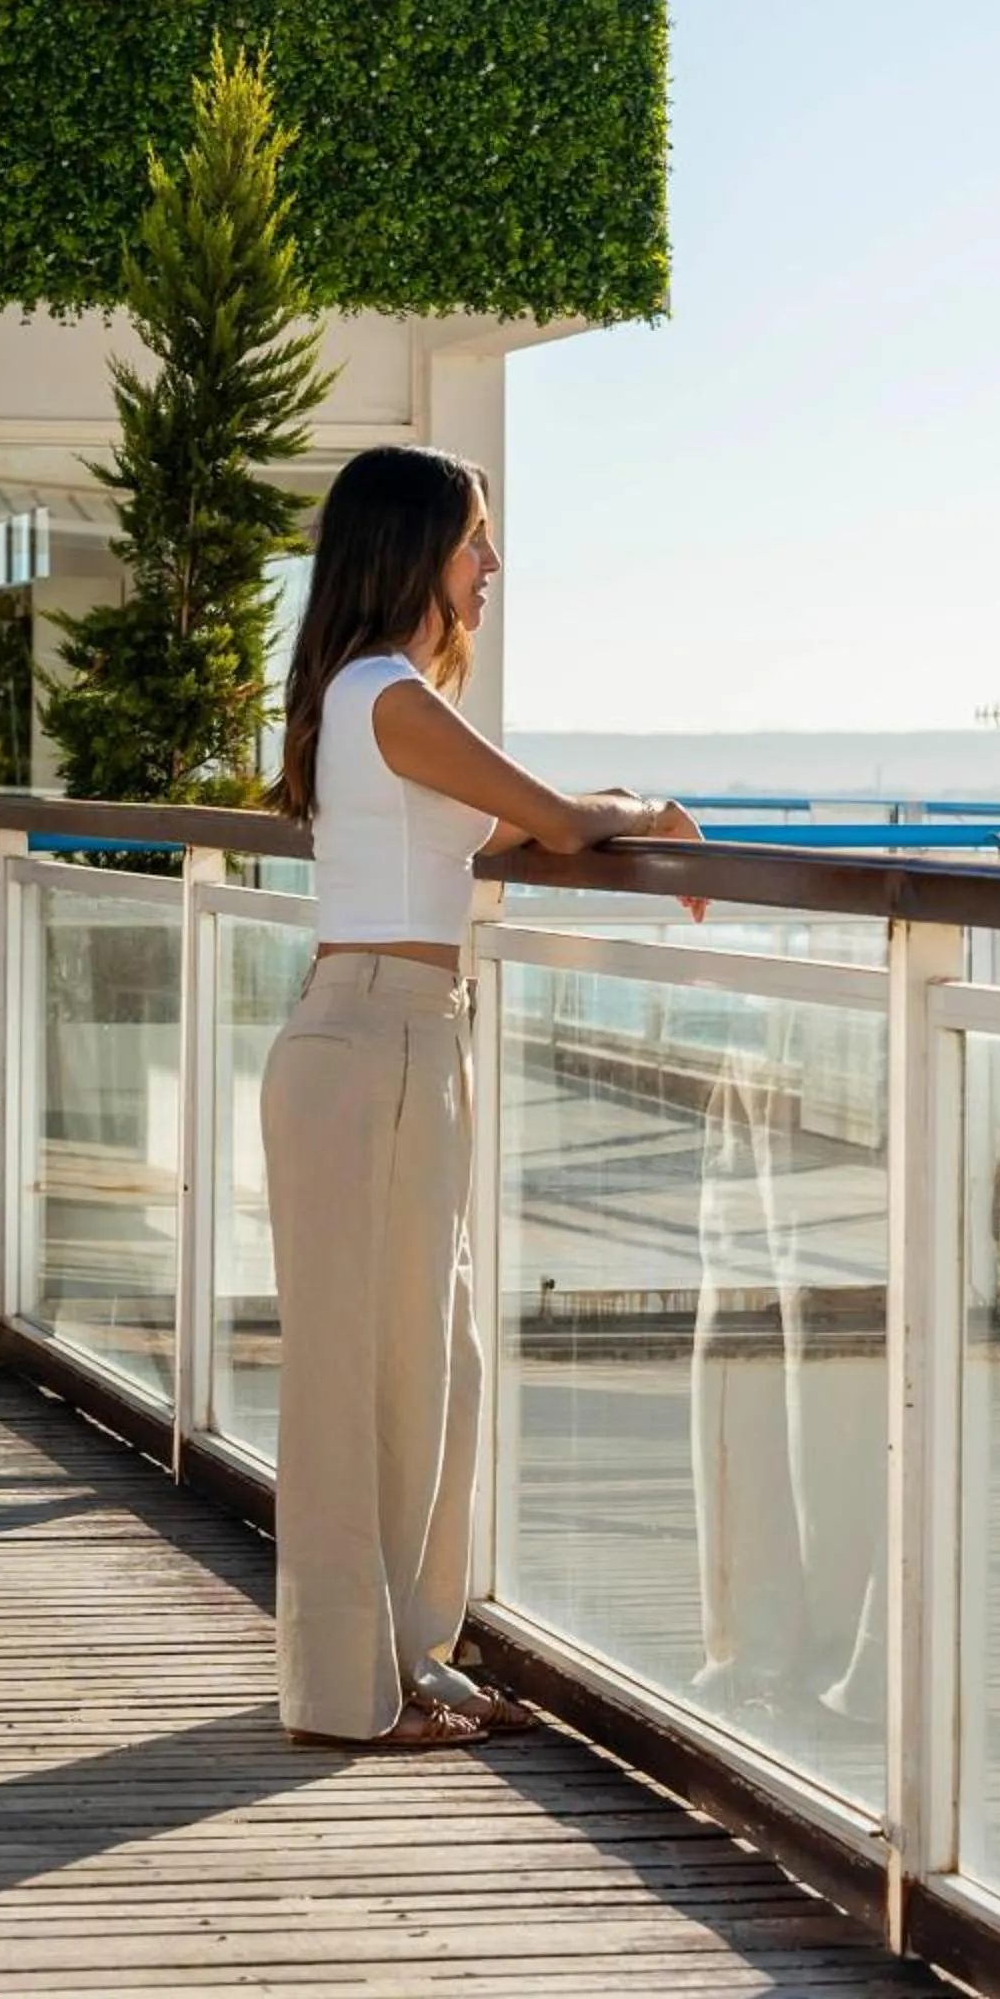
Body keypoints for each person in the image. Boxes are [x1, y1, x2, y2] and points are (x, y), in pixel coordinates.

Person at [261, 443, 705, 1750]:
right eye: (476, 545)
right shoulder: (388, 695)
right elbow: (558, 822)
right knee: (353, 1377)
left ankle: (408, 1655)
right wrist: (660, 809)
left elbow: (509, 833)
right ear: (415, 556)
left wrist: (618, 815)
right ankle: (346, 1693)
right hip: (369, 1052)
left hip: (404, 1045)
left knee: (429, 1359)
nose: (493, 567)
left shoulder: (379, 706)